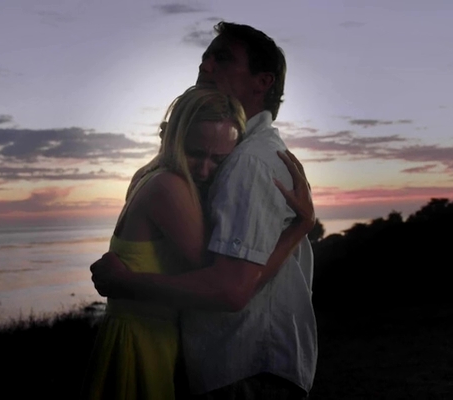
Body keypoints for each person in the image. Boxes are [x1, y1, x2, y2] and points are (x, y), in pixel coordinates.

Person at [90, 21, 317, 399]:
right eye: (206, 57)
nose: (205, 66)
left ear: (263, 81)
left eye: (222, 58)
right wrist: (301, 226)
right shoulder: (204, 169)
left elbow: (229, 289)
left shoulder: (248, 162)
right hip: (233, 363)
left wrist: (124, 283)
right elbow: (224, 282)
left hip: (247, 366)